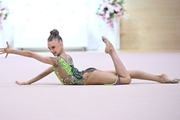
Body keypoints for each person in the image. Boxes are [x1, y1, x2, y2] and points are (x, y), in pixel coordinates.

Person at [0, 29, 179, 85]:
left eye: (53, 47)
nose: (51, 51)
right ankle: (160, 78)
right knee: (127, 72)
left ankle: (111, 50)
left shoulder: (57, 60)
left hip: (86, 77)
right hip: (86, 74)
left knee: (126, 79)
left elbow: (31, 54)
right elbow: (43, 74)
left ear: (60, 43)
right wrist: (27, 82)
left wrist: (11, 51)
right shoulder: (62, 60)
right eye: (49, 48)